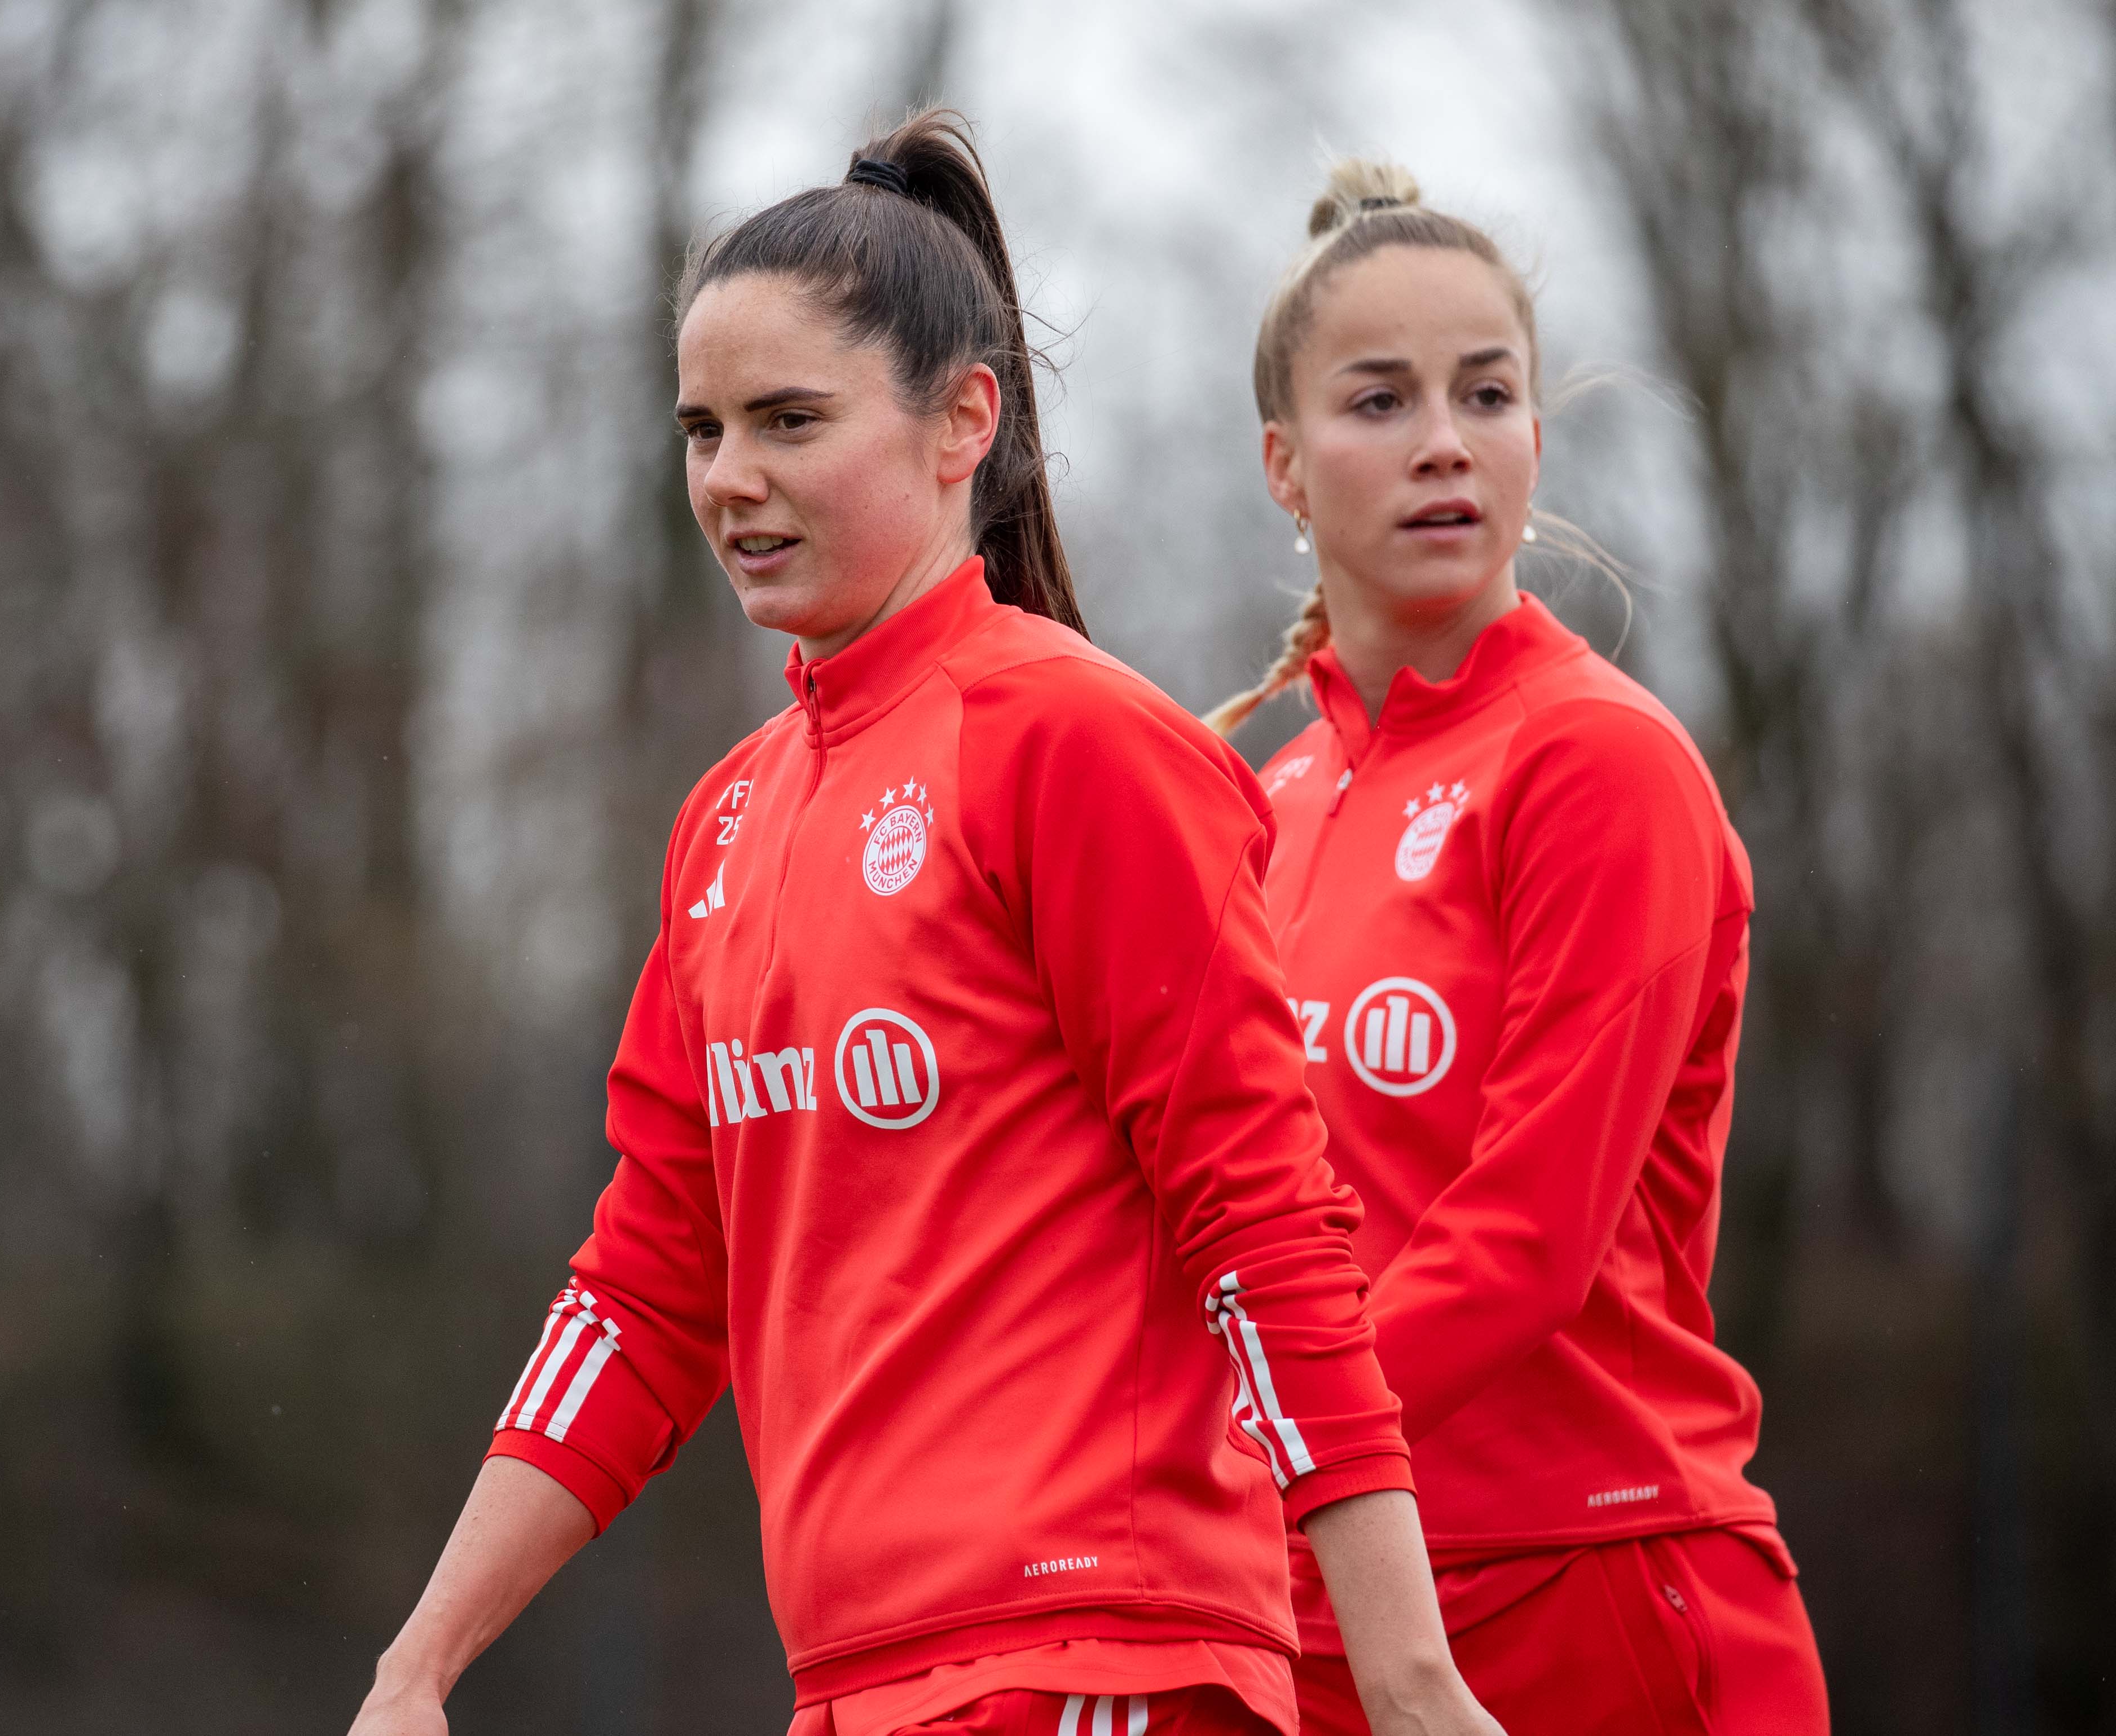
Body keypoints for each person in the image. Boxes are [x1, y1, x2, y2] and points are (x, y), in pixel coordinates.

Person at [347, 113, 1500, 1736]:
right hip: (863, 1690)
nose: (731, 476)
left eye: (790, 421)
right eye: (701, 429)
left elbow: (1264, 1221)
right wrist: (422, 1662)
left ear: (965, 423)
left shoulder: (1074, 743)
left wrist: (1406, 1673)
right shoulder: (728, 822)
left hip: (1106, 1662)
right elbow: (650, 1284)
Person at [1204, 160, 1829, 1733]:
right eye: (1380, 400)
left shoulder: (1599, 763)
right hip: (1332, 1600)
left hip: (1597, 1583)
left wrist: (1231, 1455)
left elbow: (1523, 1246)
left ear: (1538, 439)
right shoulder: (1262, 803)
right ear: (1283, 468)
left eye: (1488, 394)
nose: (1443, 442)